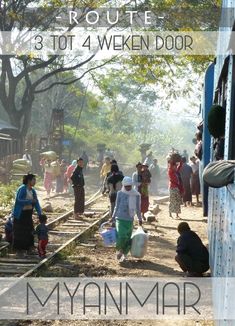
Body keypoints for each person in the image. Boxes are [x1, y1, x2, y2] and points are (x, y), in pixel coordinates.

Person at [111, 176, 142, 262]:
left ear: (132, 185)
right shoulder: (120, 193)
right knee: (122, 236)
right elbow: (116, 206)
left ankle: (124, 254)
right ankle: (120, 251)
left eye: (129, 186)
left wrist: (140, 218)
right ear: (123, 186)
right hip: (120, 218)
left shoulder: (136, 195)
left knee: (128, 238)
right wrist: (113, 217)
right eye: (126, 186)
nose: (128, 188)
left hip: (130, 219)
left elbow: (138, 208)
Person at [12, 173, 42, 251]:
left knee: (30, 230)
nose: (35, 181)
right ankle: (19, 249)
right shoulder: (22, 189)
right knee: (20, 231)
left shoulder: (33, 191)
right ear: (29, 181)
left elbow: (36, 202)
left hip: (28, 213)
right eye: (34, 180)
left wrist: (40, 213)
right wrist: (29, 201)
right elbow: (19, 200)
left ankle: (29, 246)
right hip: (21, 214)